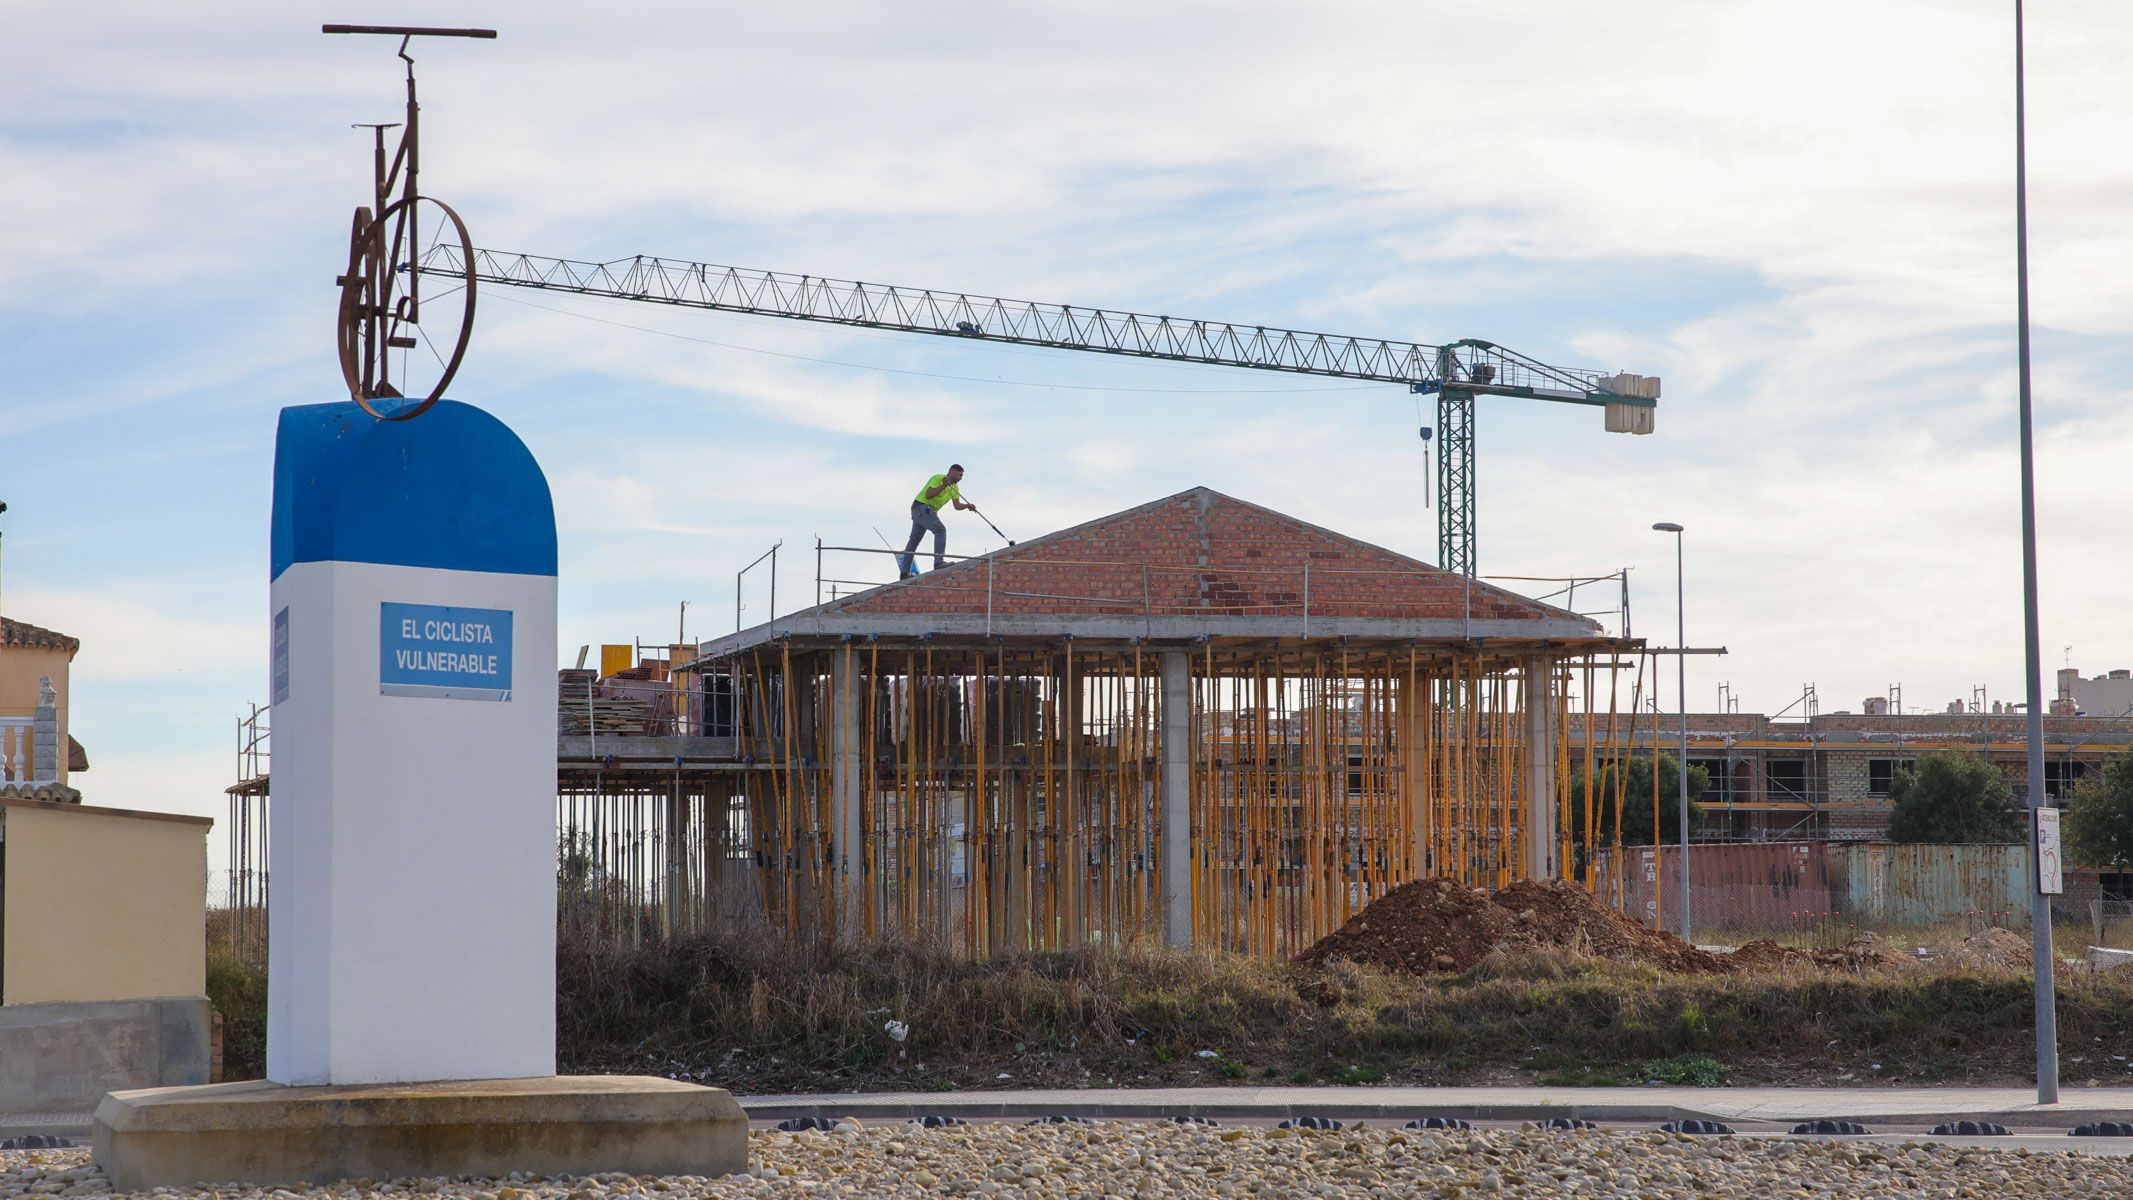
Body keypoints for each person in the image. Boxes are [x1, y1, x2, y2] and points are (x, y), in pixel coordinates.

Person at [898, 464, 973, 577]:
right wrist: (943, 485)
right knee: (940, 530)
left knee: (914, 542)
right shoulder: (938, 478)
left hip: (925, 512)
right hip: (921, 507)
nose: (961, 478)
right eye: (959, 475)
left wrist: (967, 506)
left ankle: (904, 573)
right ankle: (938, 562)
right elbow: (928, 495)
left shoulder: (955, 487)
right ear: (952, 472)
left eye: (962, 476)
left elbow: (957, 506)